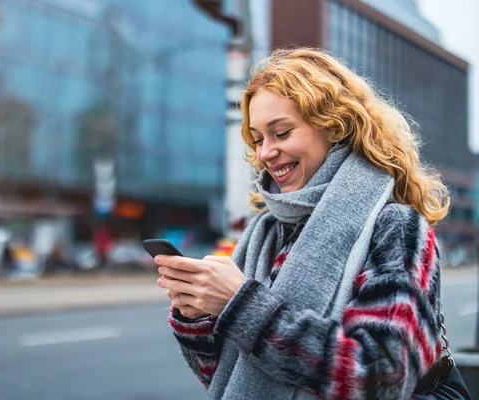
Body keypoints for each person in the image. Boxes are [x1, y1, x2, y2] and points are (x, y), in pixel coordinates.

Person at [155, 48, 451, 399]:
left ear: (334, 124)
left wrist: (242, 304)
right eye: (258, 138)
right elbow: (228, 377)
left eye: (281, 133)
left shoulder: (395, 228)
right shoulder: (265, 232)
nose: (265, 152)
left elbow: (383, 378)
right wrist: (196, 319)